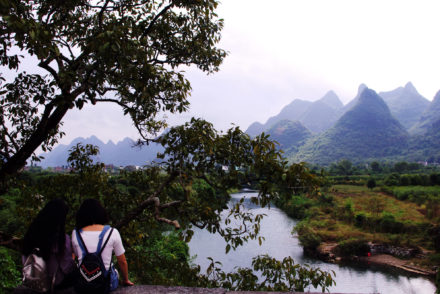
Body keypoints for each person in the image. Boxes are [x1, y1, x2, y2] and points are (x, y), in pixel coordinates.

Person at [71, 199, 134, 289]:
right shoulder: (113, 232)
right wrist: (126, 280)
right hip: (106, 285)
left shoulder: (76, 233)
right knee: (114, 271)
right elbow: (122, 261)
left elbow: (75, 256)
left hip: (83, 284)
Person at [22, 198, 76, 290]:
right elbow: (66, 268)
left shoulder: (30, 234)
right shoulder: (61, 239)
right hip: (54, 283)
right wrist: (73, 259)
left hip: (32, 280)